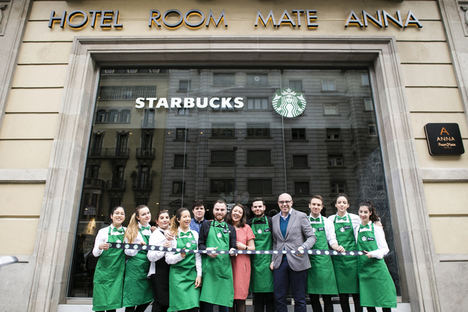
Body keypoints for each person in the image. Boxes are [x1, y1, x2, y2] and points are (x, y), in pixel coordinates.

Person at [270, 193, 316, 312]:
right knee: (279, 297)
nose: (284, 204)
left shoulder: (301, 216)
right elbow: (276, 242)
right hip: (280, 262)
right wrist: (273, 260)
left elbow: (311, 237)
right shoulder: (274, 219)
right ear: (278, 203)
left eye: (287, 201)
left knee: (299, 297)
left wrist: (303, 247)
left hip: (298, 260)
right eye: (281, 202)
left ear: (291, 202)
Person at [356, 201, 396, 312]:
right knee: (369, 300)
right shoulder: (356, 229)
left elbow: (385, 249)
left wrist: (372, 254)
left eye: (365, 212)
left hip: (378, 268)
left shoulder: (376, 228)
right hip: (364, 269)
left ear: (370, 213)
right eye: (361, 212)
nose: (363, 214)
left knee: (384, 298)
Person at [198, 199, 237, 312]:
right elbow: (200, 245)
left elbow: (233, 246)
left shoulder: (231, 228)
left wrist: (233, 250)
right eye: (217, 209)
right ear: (213, 210)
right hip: (209, 269)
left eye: (222, 209)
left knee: (223, 302)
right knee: (207, 303)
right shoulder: (206, 225)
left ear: (226, 211)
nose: (219, 212)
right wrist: (207, 250)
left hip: (224, 268)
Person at [307, 195, 343, 312]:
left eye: (318, 205)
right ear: (309, 206)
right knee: (313, 296)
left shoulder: (327, 222)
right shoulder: (305, 221)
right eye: (314, 204)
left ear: (322, 207)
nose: (316, 207)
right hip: (309, 262)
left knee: (327, 297)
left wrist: (337, 247)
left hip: (324, 263)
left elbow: (331, 239)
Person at [328, 194, 362, 312]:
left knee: (357, 294)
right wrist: (336, 246)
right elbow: (331, 237)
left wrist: (377, 223)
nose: (342, 204)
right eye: (339, 202)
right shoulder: (331, 219)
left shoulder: (355, 218)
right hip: (339, 261)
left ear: (348, 205)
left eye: (344, 202)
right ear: (336, 204)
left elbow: (363, 229)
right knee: (343, 295)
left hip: (354, 260)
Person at [166, 208, 202, 312]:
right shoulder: (172, 235)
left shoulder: (195, 234)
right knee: (181, 308)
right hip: (177, 277)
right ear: (178, 219)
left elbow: (198, 256)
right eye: (184, 216)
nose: (187, 219)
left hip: (191, 276)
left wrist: (199, 275)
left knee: (194, 307)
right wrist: (180, 256)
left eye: (189, 216)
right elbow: (168, 259)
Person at [92, 206, 126, 312]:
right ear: (111, 216)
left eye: (122, 213)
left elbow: (133, 250)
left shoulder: (127, 232)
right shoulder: (103, 231)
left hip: (117, 273)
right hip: (103, 271)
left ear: (124, 217)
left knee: (112, 305)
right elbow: (95, 254)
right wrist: (100, 247)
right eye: (117, 213)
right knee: (100, 304)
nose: (119, 215)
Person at [123, 205, 154, 312]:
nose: (147, 215)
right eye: (143, 214)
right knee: (132, 299)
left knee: (148, 297)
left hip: (148, 267)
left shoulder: (153, 230)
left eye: (148, 213)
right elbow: (127, 252)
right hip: (134, 268)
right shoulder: (131, 230)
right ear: (138, 217)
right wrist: (138, 247)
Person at [227, 204, 255, 312]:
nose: (236, 213)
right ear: (231, 212)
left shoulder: (246, 228)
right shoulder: (225, 226)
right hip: (227, 264)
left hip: (242, 266)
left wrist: (244, 247)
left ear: (242, 215)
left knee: (240, 299)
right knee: (228, 298)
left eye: (239, 212)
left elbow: (253, 248)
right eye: (235, 211)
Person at [248, 198, 274, 312]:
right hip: (255, 264)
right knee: (257, 298)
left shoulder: (271, 221)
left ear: (264, 208)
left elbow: (277, 241)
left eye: (260, 206)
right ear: (252, 209)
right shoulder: (248, 223)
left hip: (269, 264)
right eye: (255, 207)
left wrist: (274, 260)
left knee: (270, 297)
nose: (257, 209)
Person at [147, 210, 174, 312]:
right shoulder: (155, 235)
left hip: (170, 270)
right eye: (161, 218)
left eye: (166, 217)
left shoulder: (173, 233)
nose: (164, 220)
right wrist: (163, 248)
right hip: (158, 271)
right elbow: (151, 257)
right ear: (157, 222)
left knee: (167, 302)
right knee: (161, 301)